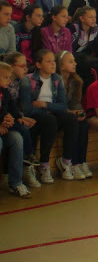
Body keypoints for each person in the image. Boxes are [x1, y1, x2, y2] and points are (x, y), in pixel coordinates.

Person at [19, 49, 79, 183]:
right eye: (48, 61)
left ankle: (66, 161)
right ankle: (44, 165)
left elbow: (62, 106)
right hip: (37, 117)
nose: (53, 64)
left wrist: (44, 105)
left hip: (51, 112)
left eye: (53, 61)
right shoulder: (28, 80)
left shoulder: (57, 79)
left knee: (71, 119)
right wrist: (47, 110)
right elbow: (26, 109)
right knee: (50, 120)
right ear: (38, 65)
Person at [55, 50, 92, 180]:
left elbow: (76, 102)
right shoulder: (55, 81)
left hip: (70, 113)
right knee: (73, 121)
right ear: (61, 65)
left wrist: (80, 112)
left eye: (74, 61)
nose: (75, 64)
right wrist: (72, 112)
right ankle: (72, 162)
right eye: (71, 61)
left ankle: (82, 161)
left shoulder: (75, 81)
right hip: (58, 115)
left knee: (83, 122)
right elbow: (55, 104)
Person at [0, 61, 32, 198]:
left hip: (4, 129)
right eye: (5, 77)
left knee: (17, 138)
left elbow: (12, 107)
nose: (8, 80)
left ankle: (16, 183)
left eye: (9, 77)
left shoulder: (4, 91)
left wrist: (15, 118)